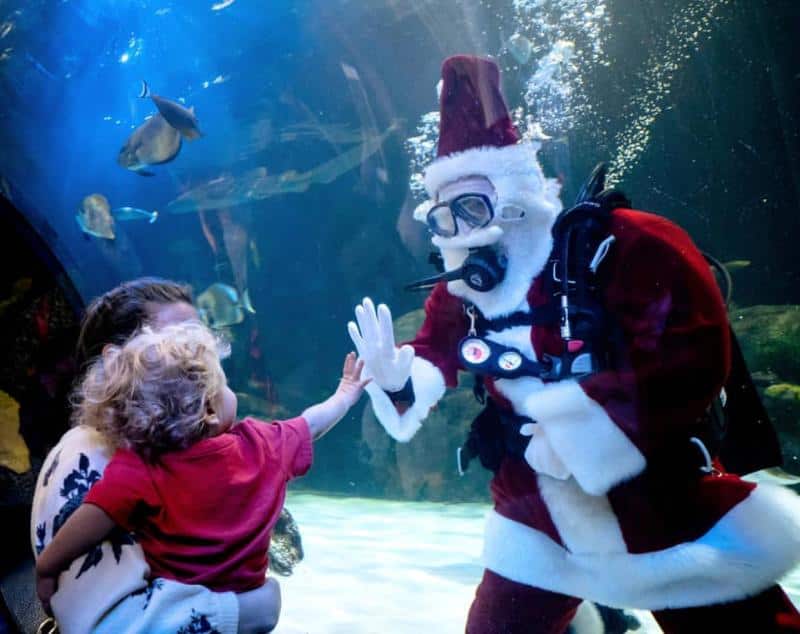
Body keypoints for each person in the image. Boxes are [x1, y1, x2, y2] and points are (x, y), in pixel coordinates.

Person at [347, 55, 800, 633]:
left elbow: (692, 351)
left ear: (514, 194)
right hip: (534, 516)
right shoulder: (463, 288)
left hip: (657, 497)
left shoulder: (624, 243)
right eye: (445, 217)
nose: (462, 232)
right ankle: (594, 621)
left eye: (473, 208)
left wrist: (578, 434)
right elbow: (435, 350)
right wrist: (396, 380)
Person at [35, 319, 368, 631]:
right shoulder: (261, 444)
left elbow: (89, 522)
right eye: (224, 383)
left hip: (184, 612)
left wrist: (48, 567)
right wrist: (344, 395)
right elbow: (312, 424)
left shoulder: (139, 467)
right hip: (244, 611)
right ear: (209, 410)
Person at [29, 278, 291, 634]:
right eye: (179, 341)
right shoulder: (87, 456)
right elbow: (107, 629)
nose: (197, 353)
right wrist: (244, 611)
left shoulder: (166, 448)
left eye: (201, 341)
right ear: (115, 363)